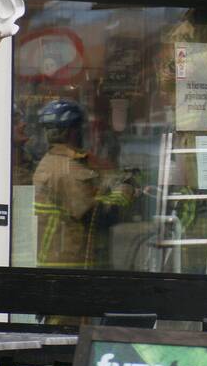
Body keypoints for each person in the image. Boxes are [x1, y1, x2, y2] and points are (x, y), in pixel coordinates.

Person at [33, 99, 133, 269]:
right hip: (69, 263)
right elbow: (98, 216)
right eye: (81, 128)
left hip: (56, 258)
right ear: (72, 131)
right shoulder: (67, 170)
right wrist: (125, 191)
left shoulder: (53, 161)